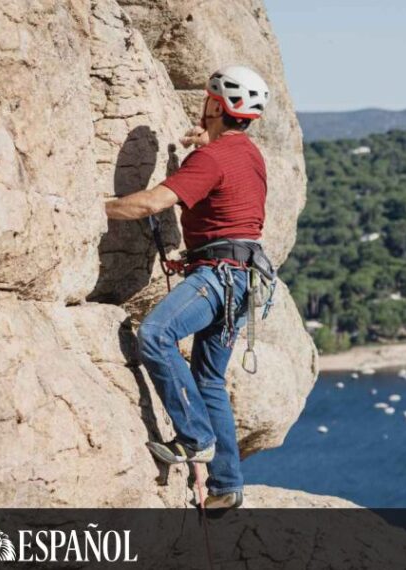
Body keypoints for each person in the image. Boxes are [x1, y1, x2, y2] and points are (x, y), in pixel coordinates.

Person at [104, 65, 271, 510]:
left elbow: (153, 202)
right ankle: (226, 486)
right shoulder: (249, 154)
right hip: (244, 279)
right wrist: (206, 144)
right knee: (209, 378)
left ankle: (194, 438)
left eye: (208, 100)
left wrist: (95, 209)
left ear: (216, 104)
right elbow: (228, 189)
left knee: (156, 335)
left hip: (217, 278)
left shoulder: (211, 159)